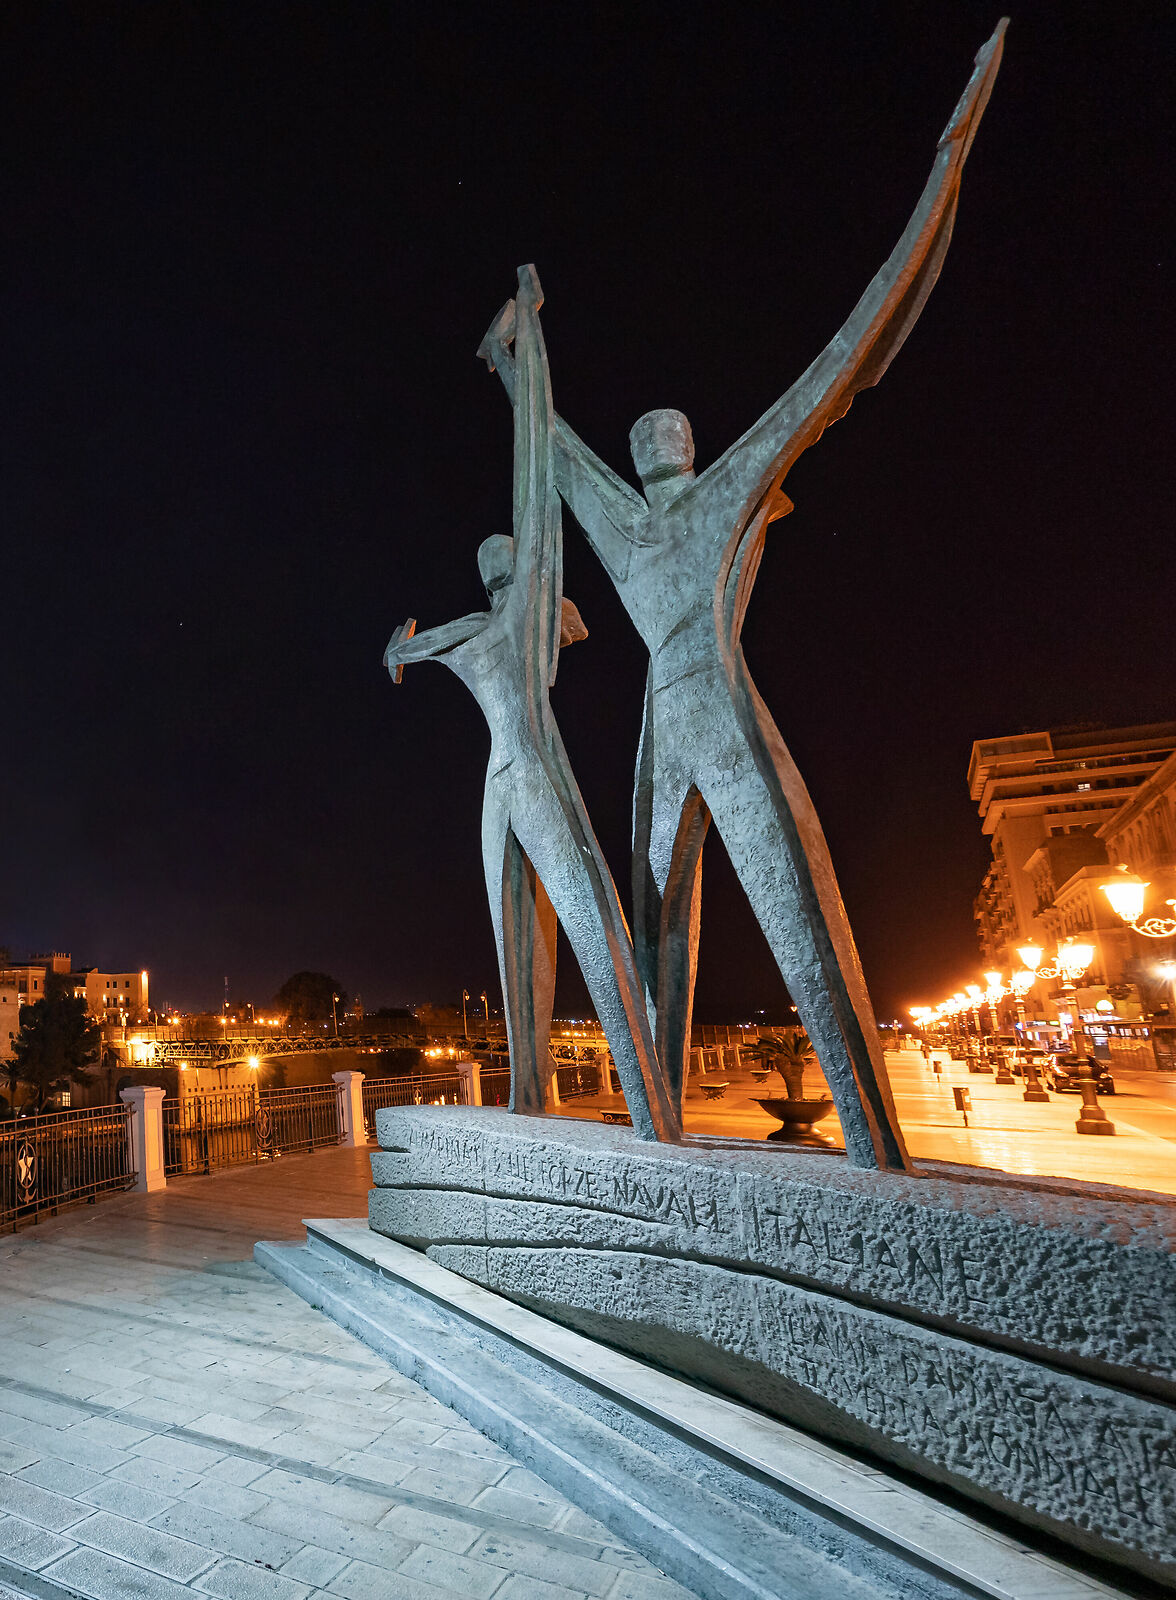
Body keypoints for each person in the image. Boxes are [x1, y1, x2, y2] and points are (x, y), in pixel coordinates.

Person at [476, 24, 1005, 1171]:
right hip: (679, 718)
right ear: (679, 448)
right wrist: (522, 354)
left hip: (696, 705)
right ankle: (712, 1132)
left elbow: (843, 352)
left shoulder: (690, 503)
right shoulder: (671, 504)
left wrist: (947, 167)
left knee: (769, 910)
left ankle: (864, 1145)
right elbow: (561, 447)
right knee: (689, 924)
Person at [385, 266, 677, 1141]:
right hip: (534, 765)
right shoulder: (531, 605)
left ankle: (531, 1092)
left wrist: (401, 649)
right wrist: (528, 339)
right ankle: (643, 1103)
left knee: (524, 934)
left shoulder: (475, 626)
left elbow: (407, 647)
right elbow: (536, 476)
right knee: (587, 921)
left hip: (497, 777)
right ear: (519, 564)